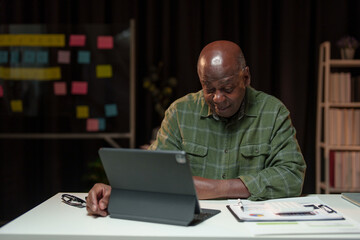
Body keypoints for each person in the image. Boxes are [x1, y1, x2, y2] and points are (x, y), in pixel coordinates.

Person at [86, 40, 306, 216]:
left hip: (251, 227)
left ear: (246, 77)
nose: (218, 98)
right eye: (208, 89)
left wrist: (219, 188)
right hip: (194, 226)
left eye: (227, 88)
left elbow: (291, 175)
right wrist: (118, 191)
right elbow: (153, 171)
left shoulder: (273, 112)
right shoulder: (180, 112)